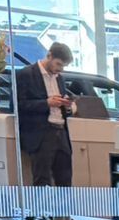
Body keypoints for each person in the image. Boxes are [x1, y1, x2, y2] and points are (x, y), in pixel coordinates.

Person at [16, 41, 76, 188]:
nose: (60, 69)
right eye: (58, 64)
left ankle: (64, 204)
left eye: (63, 66)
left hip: (61, 131)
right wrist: (46, 103)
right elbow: (18, 105)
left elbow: (61, 105)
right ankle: (42, 204)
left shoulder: (59, 78)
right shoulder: (26, 74)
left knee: (65, 178)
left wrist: (67, 106)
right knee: (42, 179)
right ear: (49, 56)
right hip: (41, 133)